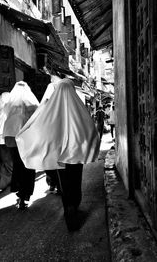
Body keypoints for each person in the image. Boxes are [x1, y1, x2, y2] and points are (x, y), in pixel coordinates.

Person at [16, 78, 100, 231]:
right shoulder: (79, 107)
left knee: (65, 183)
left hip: (59, 157)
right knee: (75, 180)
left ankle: (68, 207)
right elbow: (91, 131)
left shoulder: (49, 109)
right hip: (76, 154)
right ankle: (74, 205)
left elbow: (40, 129)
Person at [0, 81, 39, 209]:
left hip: (12, 140)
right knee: (28, 167)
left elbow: (3, 120)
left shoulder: (10, 105)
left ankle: (20, 193)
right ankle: (25, 196)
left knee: (17, 166)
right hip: (28, 141)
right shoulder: (32, 104)